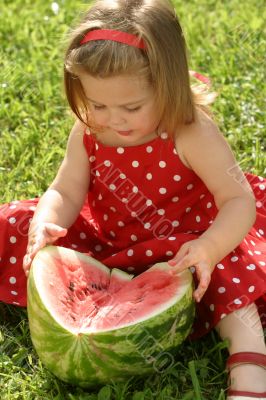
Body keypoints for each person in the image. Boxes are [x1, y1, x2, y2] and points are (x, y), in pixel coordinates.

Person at [0, 0, 265, 398]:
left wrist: (209, 247)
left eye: (131, 107)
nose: (113, 120)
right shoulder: (89, 130)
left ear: (169, 85)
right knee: (15, 221)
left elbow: (237, 201)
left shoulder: (190, 132)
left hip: (185, 245)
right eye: (98, 104)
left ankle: (250, 367)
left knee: (231, 279)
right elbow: (66, 190)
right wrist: (46, 220)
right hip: (111, 240)